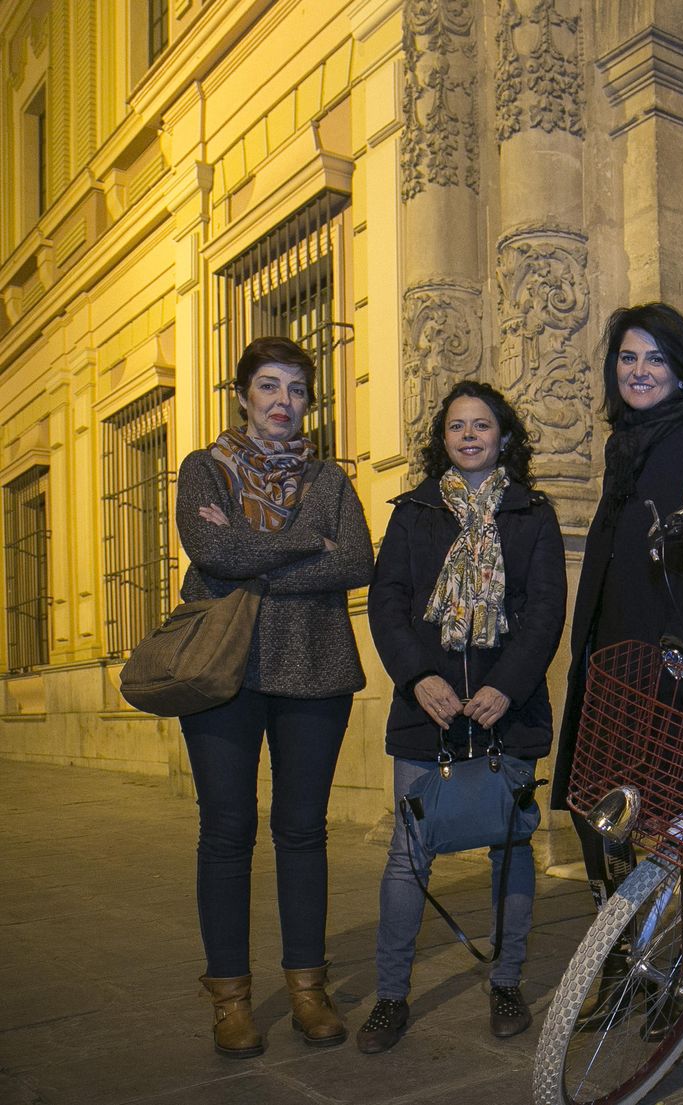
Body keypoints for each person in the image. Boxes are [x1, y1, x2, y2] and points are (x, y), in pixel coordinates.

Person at [175, 336, 374, 1058]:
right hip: (222, 672)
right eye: (268, 386)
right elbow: (212, 554)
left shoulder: (331, 480)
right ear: (243, 395)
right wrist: (304, 547)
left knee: (302, 829)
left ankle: (307, 989)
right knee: (226, 831)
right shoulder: (205, 469)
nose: (283, 401)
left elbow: (356, 560)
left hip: (315, 669)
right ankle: (229, 999)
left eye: (295, 389)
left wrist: (259, 562)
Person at [359, 381, 566, 1053]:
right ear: (442, 438)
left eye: (483, 425)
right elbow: (386, 602)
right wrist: (418, 676)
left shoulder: (533, 513)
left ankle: (505, 982)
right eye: (457, 426)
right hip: (429, 714)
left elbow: (544, 611)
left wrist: (507, 685)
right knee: (407, 855)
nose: (470, 435)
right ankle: (391, 996)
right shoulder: (413, 512)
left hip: (509, 710)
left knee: (510, 847)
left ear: (504, 436)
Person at [550, 302, 683, 909]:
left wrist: (682, 649)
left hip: (678, 667)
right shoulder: (625, 449)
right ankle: (616, 957)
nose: (639, 370)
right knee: (601, 809)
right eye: (628, 357)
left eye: (656, 359)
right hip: (614, 665)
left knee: (679, 819)